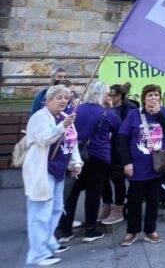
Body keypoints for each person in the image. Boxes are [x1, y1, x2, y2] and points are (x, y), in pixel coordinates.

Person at [23, 84, 82, 266]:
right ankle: (38, 253)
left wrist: (76, 162)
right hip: (42, 170)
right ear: (48, 101)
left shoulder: (65, 117)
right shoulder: (39, 118)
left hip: (58, 170)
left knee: (56, 208)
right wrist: (61, 127)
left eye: (66, 98)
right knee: (40, 213)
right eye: (59, 98)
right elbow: (44, 139)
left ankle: (48, 242)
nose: (64, 101)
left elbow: (72, 142)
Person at [57, 82, 121, 244]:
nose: (108, 97)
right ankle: (90, 229)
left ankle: (65, 230)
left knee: (72, 192)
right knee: (93, 192)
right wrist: (111, 108)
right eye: (107, 94)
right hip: (99, 157)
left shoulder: (75, 109)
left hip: (75, 156)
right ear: (101, 95)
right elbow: (118, 127)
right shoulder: (106, 113)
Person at [118, 84, 165, 247]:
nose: (153, 98)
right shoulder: (133, 114)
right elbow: (122, 138)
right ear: (144, 98)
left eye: (156, 95)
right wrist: (127, 162)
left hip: (157, 166)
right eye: (150, 95)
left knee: (153, 200)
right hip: (136, 166)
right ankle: (131, 232)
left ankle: (150, 231)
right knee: (134, 200)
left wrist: (159, 114)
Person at [100, 83, 137, 225]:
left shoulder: (129, 109)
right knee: (103, 178)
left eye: (111, 95)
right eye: (107, 95)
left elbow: (124, 128)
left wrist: (110, 111)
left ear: (119, 96)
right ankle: (107, 205)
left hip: (120, 149)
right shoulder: (104, 106)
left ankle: (118, 208)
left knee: (118, 178)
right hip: (105, 148)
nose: (108, 97)